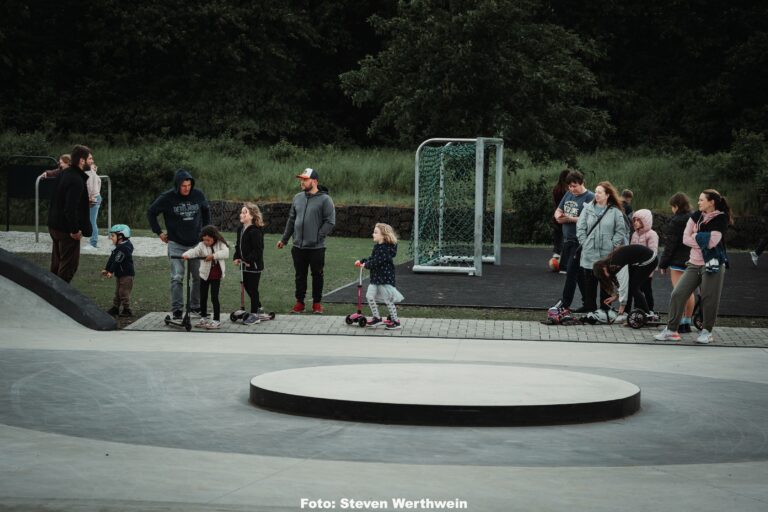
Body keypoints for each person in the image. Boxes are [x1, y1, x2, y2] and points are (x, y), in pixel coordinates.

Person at [655, 189, 732, 344]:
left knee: (709, 299)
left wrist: (695, 236)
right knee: (678, 293)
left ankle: (707, 332)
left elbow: (713, 242)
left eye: (702, 200)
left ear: (712, 202)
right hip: (694, 262)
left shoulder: (721, 219)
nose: (698, 202)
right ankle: (671, 330)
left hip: (713, 264)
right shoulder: (695, 216)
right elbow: (685, 239)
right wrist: (701, 238)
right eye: (699, 200)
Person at [147, 169, 211, 320]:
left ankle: (196, 307)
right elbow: (151, 212)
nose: (187, 188)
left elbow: (206, 211)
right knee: (177, 276)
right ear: (177, 185)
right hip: (176, 243)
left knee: (198, 276)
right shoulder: (167, 197)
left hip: (196, 243)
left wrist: (206, 232)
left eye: (189, 185)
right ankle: (177, 310)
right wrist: (159, 232)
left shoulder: (198, 194)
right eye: (183, 185)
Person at [277, 168, 336, 314]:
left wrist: (318, 236)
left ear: (314, 181)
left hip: (317, 247)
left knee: (317, 275)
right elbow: (291, 220)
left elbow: (330, 222)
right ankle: (300, 303)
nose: (301, 182)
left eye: (305, 179)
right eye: (301, 179)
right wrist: (284, 240)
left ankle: (316, 304)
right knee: (300, 275)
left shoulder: (325, 200)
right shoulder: (297, 198)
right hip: (298, 246)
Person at [576, 181, 627, 315]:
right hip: (589, 251)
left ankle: (605, 308)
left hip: (606, 253)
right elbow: (580, 227)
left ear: (607, 195)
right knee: (589, 282)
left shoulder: (615, 211)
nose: (596, 194)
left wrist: (613, 244)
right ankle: (590, 308)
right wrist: (584, 242)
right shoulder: (587, 209)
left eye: (600, 192)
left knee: (605, 281)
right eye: (596, 191)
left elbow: (621, 230)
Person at [549, 170, 595, 317]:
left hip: (580, 241)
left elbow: (589, 219)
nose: (572, 189)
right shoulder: (568, 194)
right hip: (568, 239)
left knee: (571, 272)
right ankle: (588, 303)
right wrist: (559, 217)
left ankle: (565, 302)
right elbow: (558, 210)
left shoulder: (590, 197)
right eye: (569, 186)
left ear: (582, 183)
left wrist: (569, 218)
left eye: (574, 186)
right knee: (580, 274)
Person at [47, 145, 93, 283]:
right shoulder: (76, 179)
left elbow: (60, 199)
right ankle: (58, 298)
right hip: (66, 230)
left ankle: (50, 291)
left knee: (56, 263)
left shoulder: (64, 174)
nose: (92, 161)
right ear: (82, 161)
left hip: (54, 225)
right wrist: (74, 230)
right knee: (68, 266)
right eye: (90, 158)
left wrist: (84, 201)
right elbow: (69, 208)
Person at [355, 223, 404, 330]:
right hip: (376, 278)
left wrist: (366, 265)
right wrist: (363, 261)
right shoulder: (378, 247)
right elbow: (373, 258)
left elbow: (377, 261)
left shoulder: (385, 249)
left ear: (384, 235)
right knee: (369, 296)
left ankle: (395, 321)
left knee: (388, 300)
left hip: (384, 279)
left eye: (376, 232)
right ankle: (377, 318)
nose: (373, 234)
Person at [658, 193, 694, 332]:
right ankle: (687, 322)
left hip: (678, 261)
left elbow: (670, 245)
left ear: (676, 206)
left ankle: (677, 323)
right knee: (690, 292)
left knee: (678, 292)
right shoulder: (693, 218)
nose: (671, 210)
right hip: (692, 259)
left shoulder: (676, 221)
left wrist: (663, 264)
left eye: (672, 207)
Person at [183, 225, 230, 330]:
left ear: (214, 237)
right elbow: (194, 251)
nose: (206, 242)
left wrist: (213, 256)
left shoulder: (220, 243)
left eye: (208, 240)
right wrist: (186, 255)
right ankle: (203, 318)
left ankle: (216, 320)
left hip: (216, 275)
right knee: (203, 297)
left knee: (214, 297)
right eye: (204, 240)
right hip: (204, 275)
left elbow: (226, 253)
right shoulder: (201, 245)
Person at [594, 244, 658, 319]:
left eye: (603, 273)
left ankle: (647, 314)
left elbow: (623, 285)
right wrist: (616, 296)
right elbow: (621, 285)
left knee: (634, 287)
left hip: (649, 259)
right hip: (640, 259)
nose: (606, 276)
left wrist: (622, 305)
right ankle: (627, 312)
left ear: (603, 267)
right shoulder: (610, 265)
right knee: (630, 286)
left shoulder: (615, 264)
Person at [233, 202, 266, 325]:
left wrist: (248, 260)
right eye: (241, 212)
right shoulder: (240, 229)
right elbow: (238, 246)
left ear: (252, 215)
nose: (242, 214)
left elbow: (258, 250)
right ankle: (259, 308)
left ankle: (255, 314)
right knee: (246, 286)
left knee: (253, 289)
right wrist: (236, 257)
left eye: (245, 212)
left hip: (254, 266)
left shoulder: (255, 231)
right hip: (244, 265)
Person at [624, 209, 659, 318]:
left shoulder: (652, 235)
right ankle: (636, 310)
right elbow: (631, 250)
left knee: (646, 289)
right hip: (634, 267)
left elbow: (653, 253)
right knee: (633, 289)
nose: (635, 222)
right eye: (634, 220)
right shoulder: (635, 234)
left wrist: (651, 270)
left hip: (646, 268)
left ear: (646, 221)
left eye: (638, 220)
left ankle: (650, 309)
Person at [102, 224, 135, 317]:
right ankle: (115, 308)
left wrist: (111, 271)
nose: (111, 238)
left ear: (121, 236)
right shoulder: (118, 247)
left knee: (123, 292)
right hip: (120, 274)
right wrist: (107, 269)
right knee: (117, 292)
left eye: (113, 236)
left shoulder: (125, 248)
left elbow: (117, 261)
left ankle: (127, 310)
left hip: (126, 275)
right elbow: (112, 258)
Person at [551, 170, 570, 260]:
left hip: (557, 215)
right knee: (567, 237)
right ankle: (564, 258)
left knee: (558, 237)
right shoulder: (568, 191)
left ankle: (556, 254)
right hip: (566, 216)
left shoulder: (556, 188)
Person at [83, 162, 102, 251]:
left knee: (92, 221)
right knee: (92, 220)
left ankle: (93, 243)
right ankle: (92, 241)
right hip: (97, 197)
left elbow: (89, 187)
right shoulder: (95, 174)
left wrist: (90, 197)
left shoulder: (88, 173)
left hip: (93, 198)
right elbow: (98, 183)